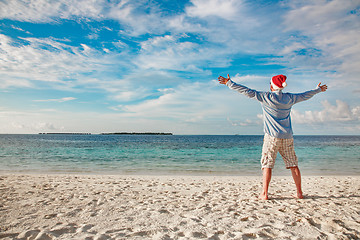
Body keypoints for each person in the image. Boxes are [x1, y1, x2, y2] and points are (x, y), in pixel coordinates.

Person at [218, 74, 327, 200]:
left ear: (271, 85)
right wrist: (318, 90)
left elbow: (247, 91)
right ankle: (299, 193)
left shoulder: (266, 97)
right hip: (287, 136)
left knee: (267, 164)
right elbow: (305, 95)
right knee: (293, 164)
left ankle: (264, 194)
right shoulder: (290, 98)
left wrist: (229, 83)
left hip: (272, 137)